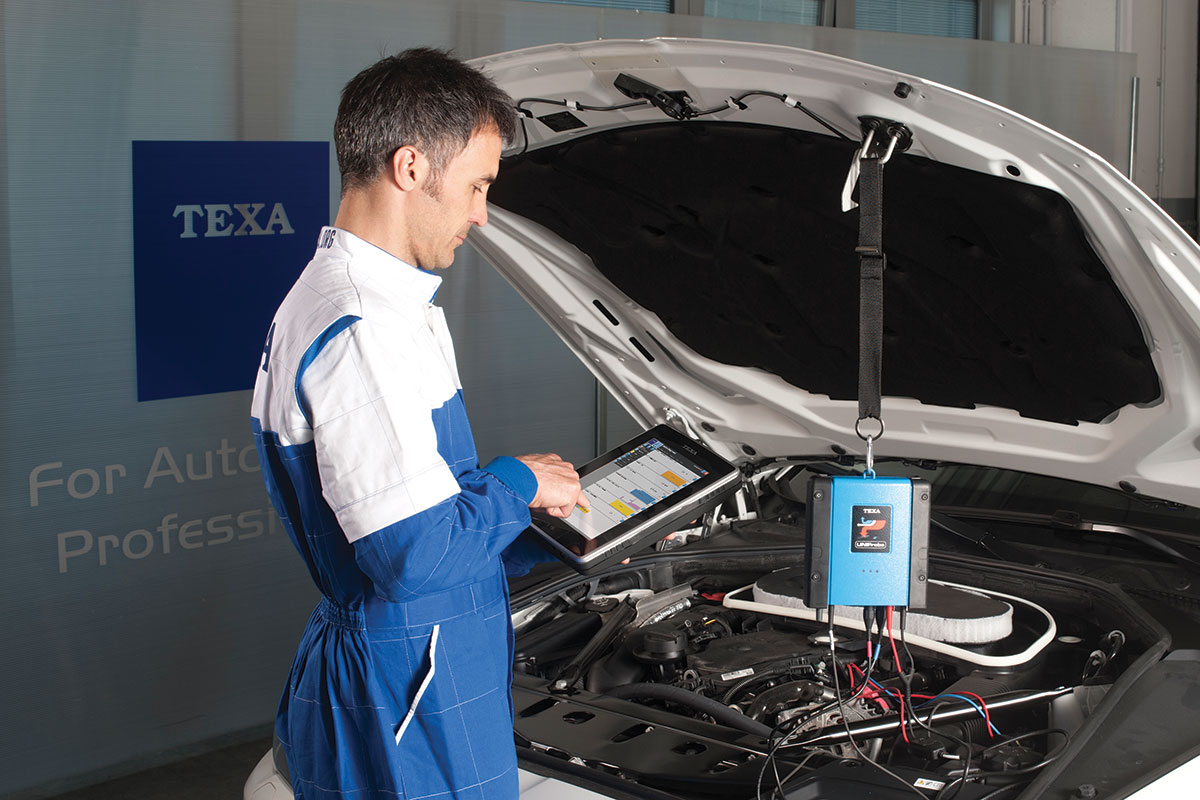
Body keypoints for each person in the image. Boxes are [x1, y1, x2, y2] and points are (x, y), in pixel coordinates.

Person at [250, 48, 588, 800]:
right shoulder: (362, 326)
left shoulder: (362, 300)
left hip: (419, 664)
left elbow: (416, 510)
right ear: (410, 167)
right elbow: (413, 557)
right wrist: (519, 482)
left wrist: (537, 530)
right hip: (409, 690)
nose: (481, 214)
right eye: (477, 186)